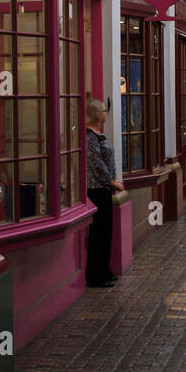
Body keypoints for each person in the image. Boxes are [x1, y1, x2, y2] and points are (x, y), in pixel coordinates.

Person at [85, 97, 124, 286]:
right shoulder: (89, 137)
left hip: (105, 190)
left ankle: (105, 271)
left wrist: (113, 179)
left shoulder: (99, 134)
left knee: (106, 234)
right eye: (102, 110)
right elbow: (96, 164)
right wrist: (111, 181)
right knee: (99, 235)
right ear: (96, 115)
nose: (105, 113)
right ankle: (96, 275)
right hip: (97, 191)